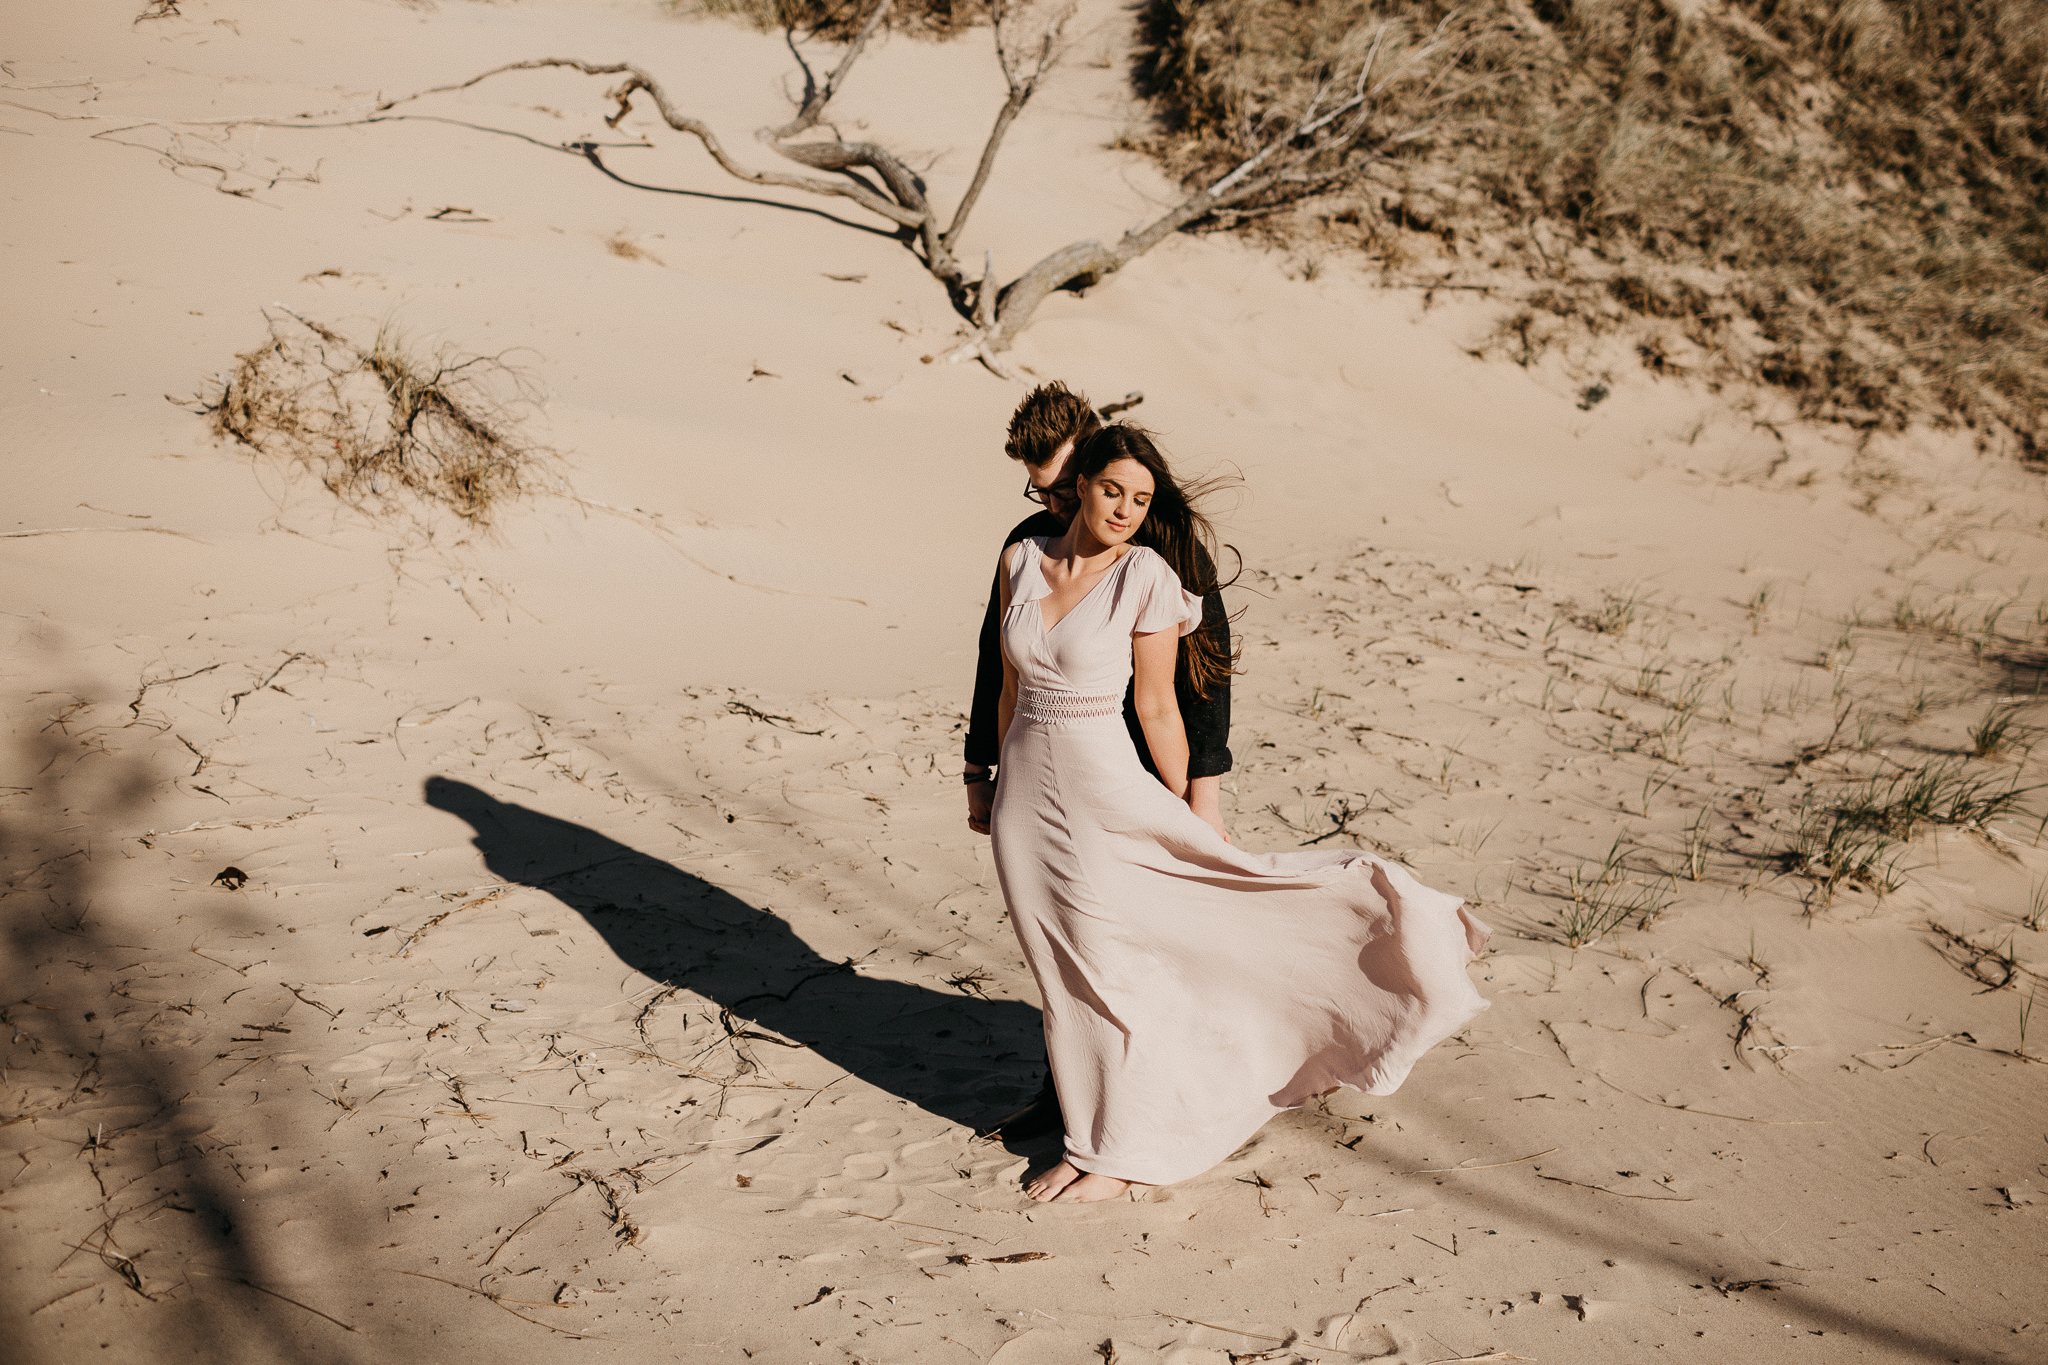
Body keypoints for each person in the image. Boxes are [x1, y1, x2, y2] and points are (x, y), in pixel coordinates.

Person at [988, 425, 1491, 1204]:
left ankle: (1112, 1151)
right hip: (1024, 795)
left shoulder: (1149, 575)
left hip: (1102, 787)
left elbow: (1157, 707)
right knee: (1060, 970)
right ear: (1082, 484)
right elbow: (1006, 688)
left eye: (1141, 498)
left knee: (1109, 965)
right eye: (1113, 490)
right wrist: (988, 780)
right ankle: (1085, 1126)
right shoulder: (1021, 558)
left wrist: (1193, 809)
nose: (1125, 508)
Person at [964, 383, 1235, 1142]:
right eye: (1038, 487)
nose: (1045, 498)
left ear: (1089, 462)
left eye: (1053, 483)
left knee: (1127, 945)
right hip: (1041, 775)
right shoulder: (1027, 543)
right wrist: (976, 768)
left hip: (1135, 768)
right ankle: (1066, 1098)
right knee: (1064, 944)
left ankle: (1151, 1103)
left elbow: (1199, 684)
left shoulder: (1166, 553)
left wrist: (1200, 796)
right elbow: (998, 666)